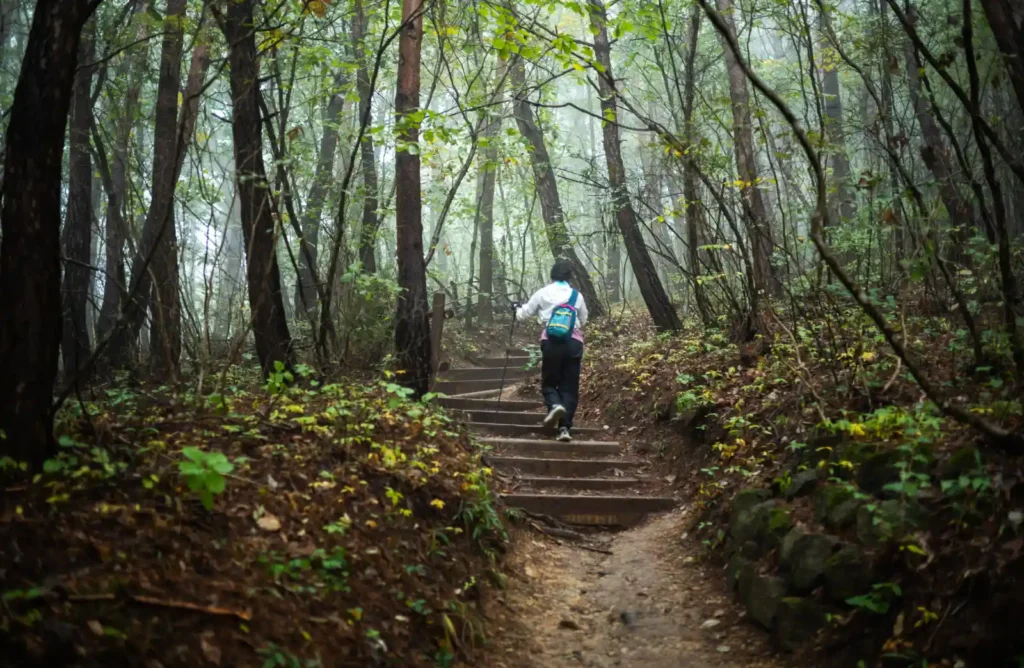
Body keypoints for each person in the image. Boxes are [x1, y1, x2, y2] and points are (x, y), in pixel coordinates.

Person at [514, 259, 588, 442]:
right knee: (569, 387)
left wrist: (516, 308)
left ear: (552, 275)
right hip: (574, 342)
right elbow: (584, 319)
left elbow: (523, 315)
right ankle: (564, 428)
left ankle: (554, 405)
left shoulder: (542, 293)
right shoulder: (576, 295)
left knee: (549, 382)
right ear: (570, 276)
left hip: (552, 342)